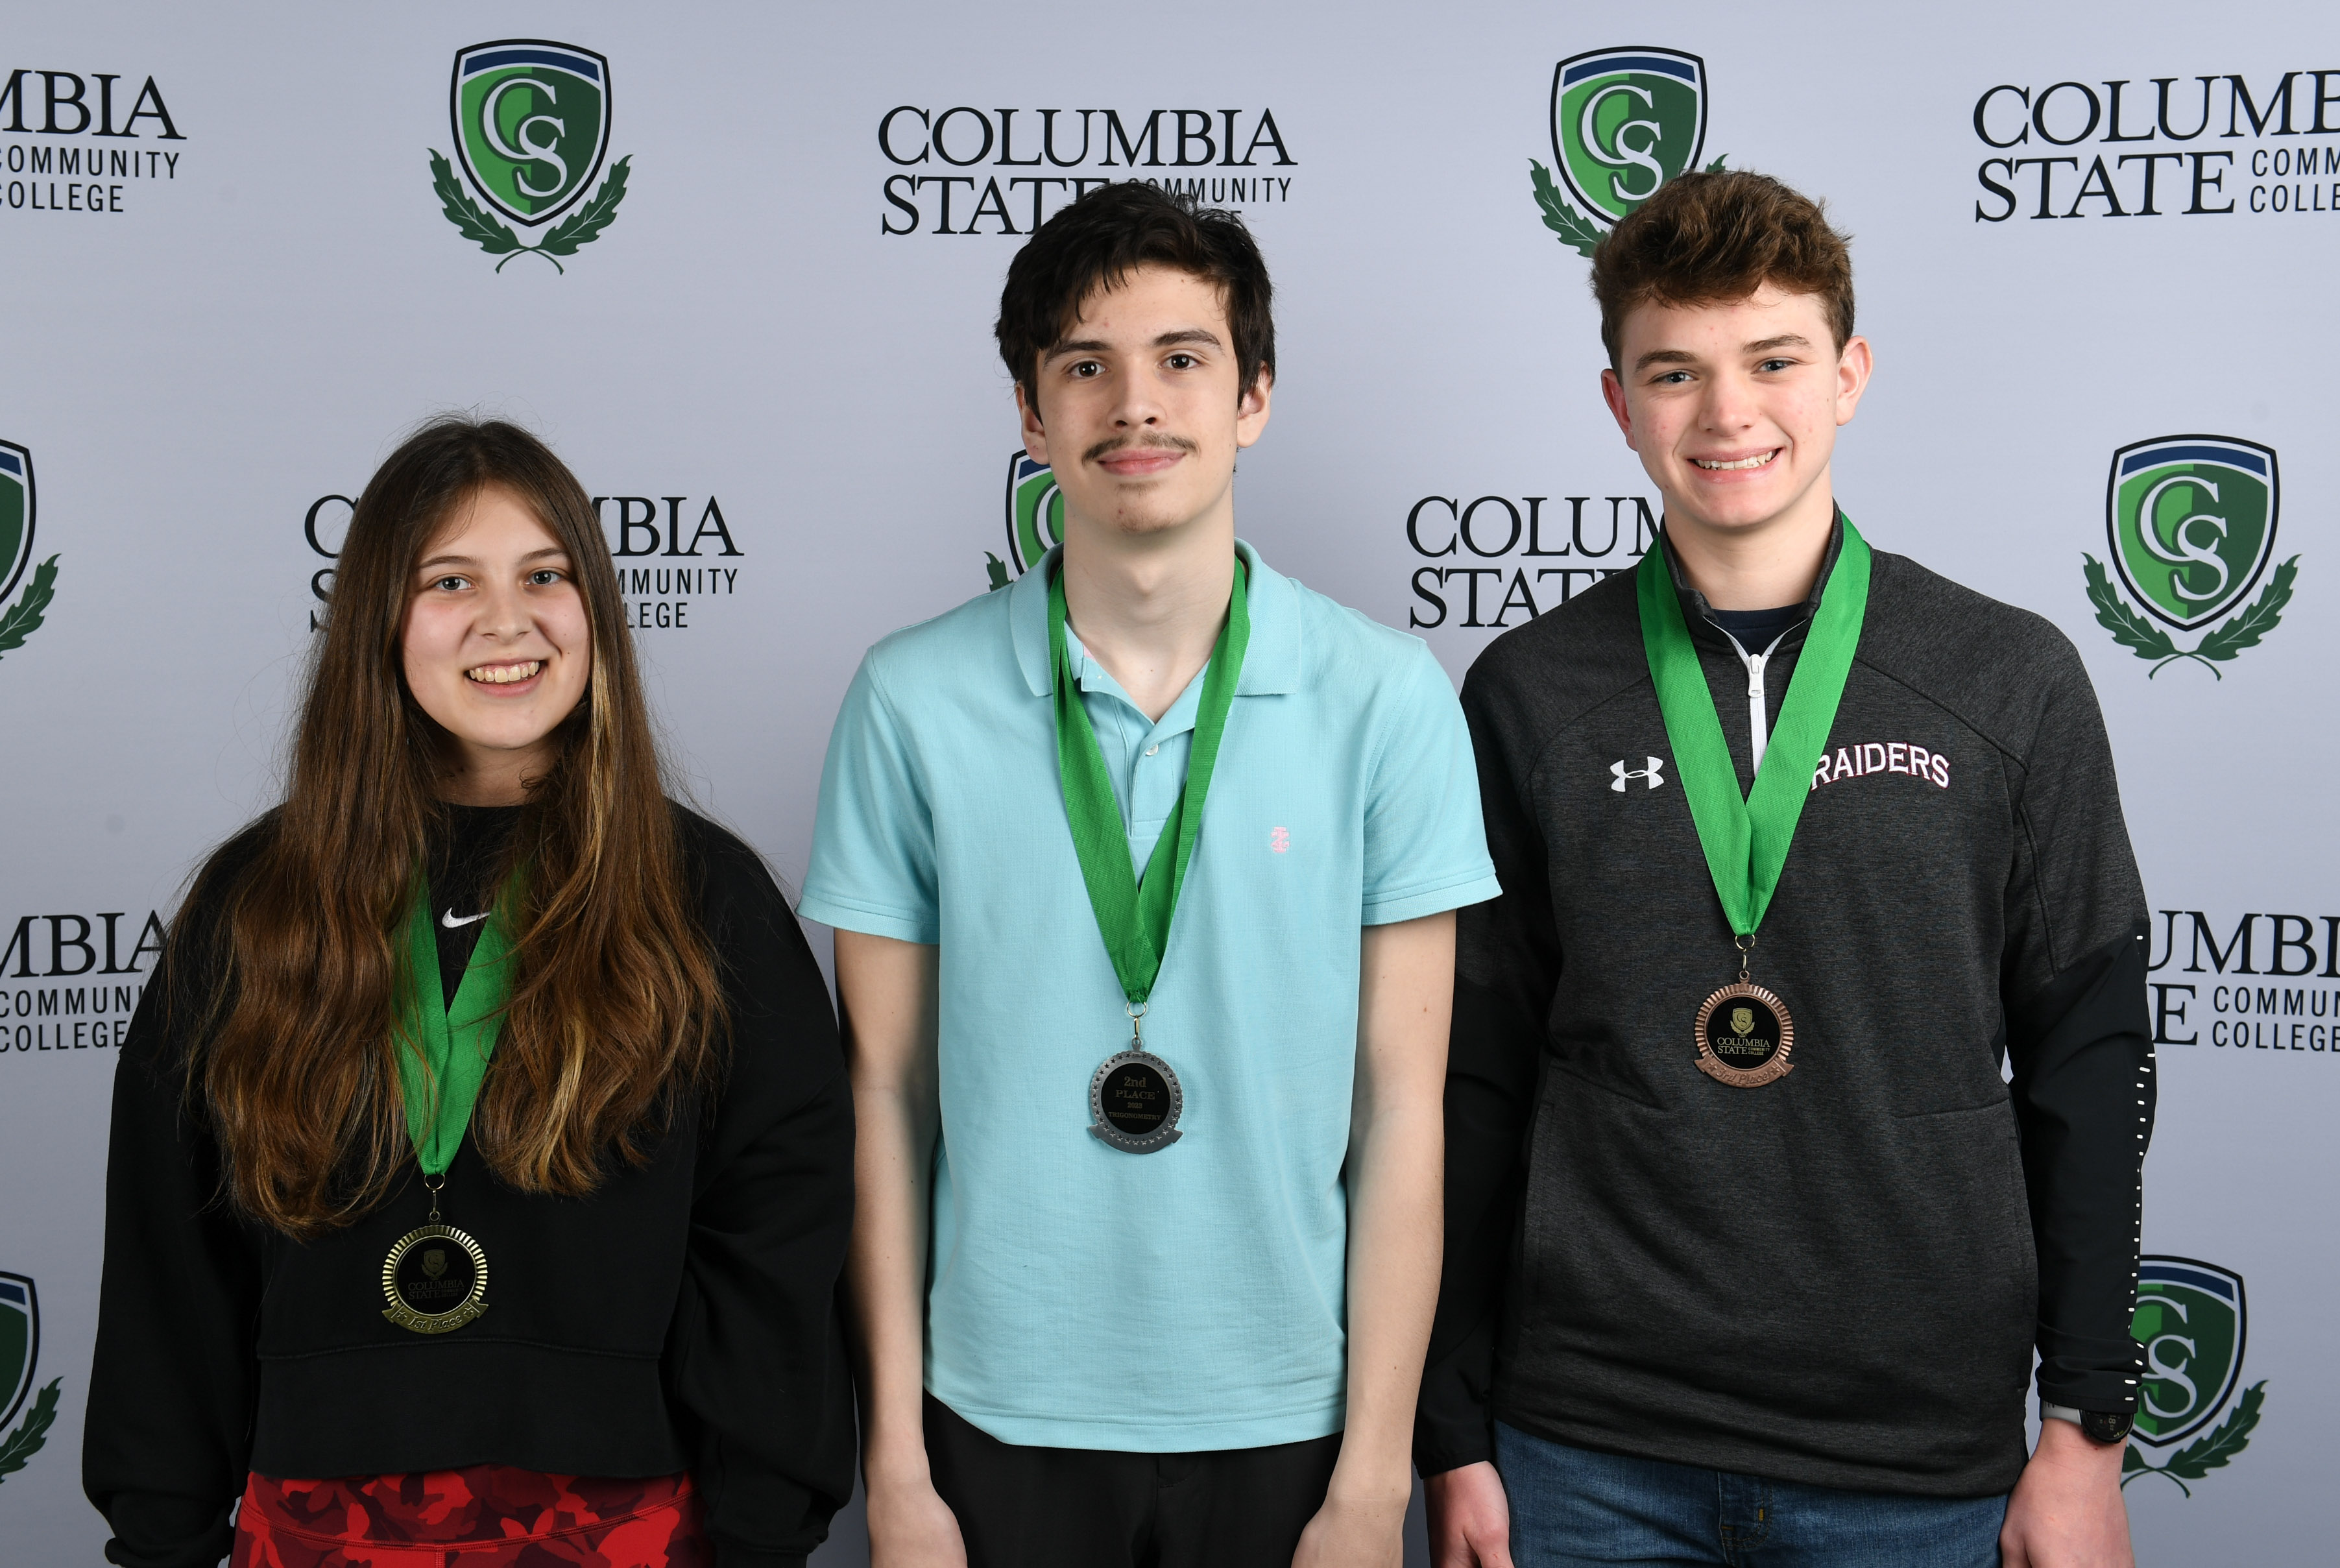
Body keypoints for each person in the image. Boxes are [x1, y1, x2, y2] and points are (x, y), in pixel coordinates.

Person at [1416, 170, 2153, 1568]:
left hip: (1913, 1460)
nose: (1726, 414)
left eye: (1772, 361)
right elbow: (1473, 1081)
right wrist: (1451, 1435)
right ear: (1616, 400)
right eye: (1673, 372)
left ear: (1848, 373)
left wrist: (2087, 1429)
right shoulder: (1527, 693)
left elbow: (2091, 1062)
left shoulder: (2007, 681)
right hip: (1586, 1450)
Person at [801, 182, 1499, 1568]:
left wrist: (1374, 1480)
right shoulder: (910, 700)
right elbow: (883, 1097)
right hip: (989, 1417)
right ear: (1029, 410)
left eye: (1182, 359)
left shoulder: (1386, 697)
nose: (1136, 404)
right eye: (1085, 366)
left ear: (1253, 398)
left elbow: (1405, 1109)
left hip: (1289, 1421)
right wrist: (895, 1466)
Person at [83, 417, 855, 1568]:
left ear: (597, 607)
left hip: (629, 1523)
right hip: (318, 1522)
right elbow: (168, 1258)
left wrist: (760, 1531)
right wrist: (161, 1534)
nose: (508, 620)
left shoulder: (704, 895)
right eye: (452, 581)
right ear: (380, 620)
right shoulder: (259, 899)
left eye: (546, 575)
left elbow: (776, 1243)